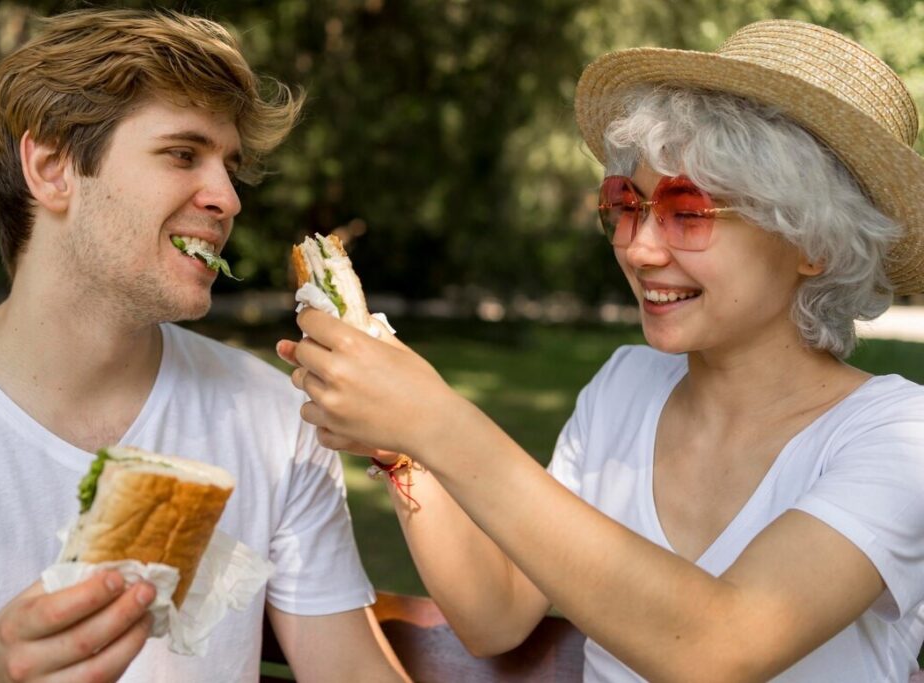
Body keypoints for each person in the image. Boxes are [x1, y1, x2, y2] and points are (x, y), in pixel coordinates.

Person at [279, 19, 924, 681]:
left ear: (813, 243)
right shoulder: (625, 385)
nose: (638, 248)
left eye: (689, 211)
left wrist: (438, 420)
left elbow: (717, 646)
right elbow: (493, 612)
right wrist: (402, 445)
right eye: (628, 203)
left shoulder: (898, 437)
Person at [0, 8, 409, 682]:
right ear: (51, 167)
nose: (228, 197)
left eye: (230, 166)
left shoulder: (275, 420)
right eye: (182, 153)